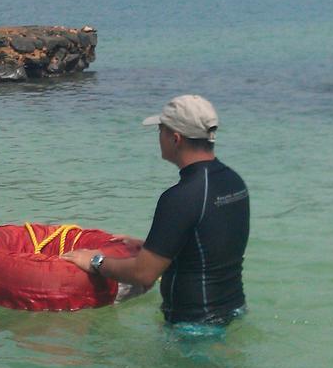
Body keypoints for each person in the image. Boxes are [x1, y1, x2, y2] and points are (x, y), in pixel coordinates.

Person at [63, 94, 249, 327]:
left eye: (160, 130)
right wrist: (154, 246)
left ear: (175, 138)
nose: (159, 137)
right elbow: (212, 245)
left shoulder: (180, 197)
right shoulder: (233, 182)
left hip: (194, 327)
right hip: (233, 308)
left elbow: (144, 274)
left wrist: (95, 261)